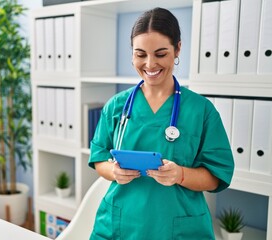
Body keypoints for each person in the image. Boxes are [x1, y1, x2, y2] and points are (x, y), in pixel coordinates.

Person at [88, 7, 234, 240]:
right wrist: (114, 171)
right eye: (140, 54)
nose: (150, 64)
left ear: (178, 49)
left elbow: (217, 175)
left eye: (160, 54)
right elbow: (98, 158)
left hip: (178, 227)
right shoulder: (116, 106)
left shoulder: (201, 111)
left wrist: (180, 175)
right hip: (122, 224)